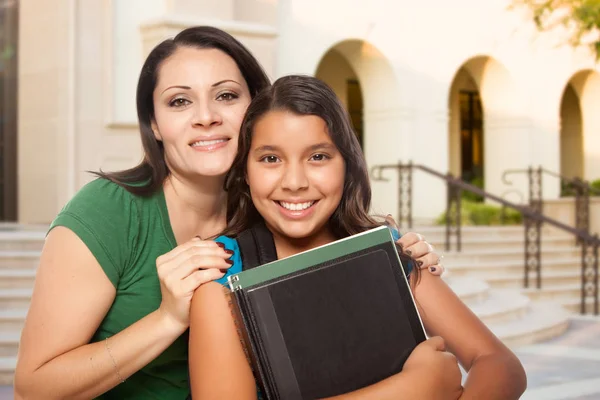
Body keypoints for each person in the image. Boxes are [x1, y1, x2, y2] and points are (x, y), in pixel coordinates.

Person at [14, 27, 441, 399]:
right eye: (179, 102)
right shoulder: (107, 211)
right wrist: (166, 319)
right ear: (155, 124)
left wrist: (399, 262)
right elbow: (33, 389)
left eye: (226, 95)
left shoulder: (273, 208)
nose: (206, 117)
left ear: (255, 109)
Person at [188, 75, 528, 400]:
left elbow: (501, 365)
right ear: (245, 172)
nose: (294, 181)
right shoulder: (221, 280)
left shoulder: (386, 254)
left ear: (347, 166)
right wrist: (411, 391)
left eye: (318, 156)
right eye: (271, 158)